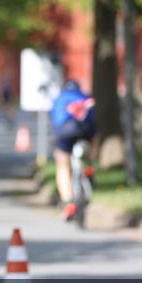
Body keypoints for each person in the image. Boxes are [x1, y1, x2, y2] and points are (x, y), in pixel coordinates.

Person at [50, 79, 97, 220]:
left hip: (65, 132)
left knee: (62, 164)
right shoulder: (86, 97)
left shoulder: (59, 99)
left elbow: (54, 121)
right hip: (86, 131)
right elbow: (94, 120)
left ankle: (68, 202)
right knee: (92, 145)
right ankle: (90, 168)